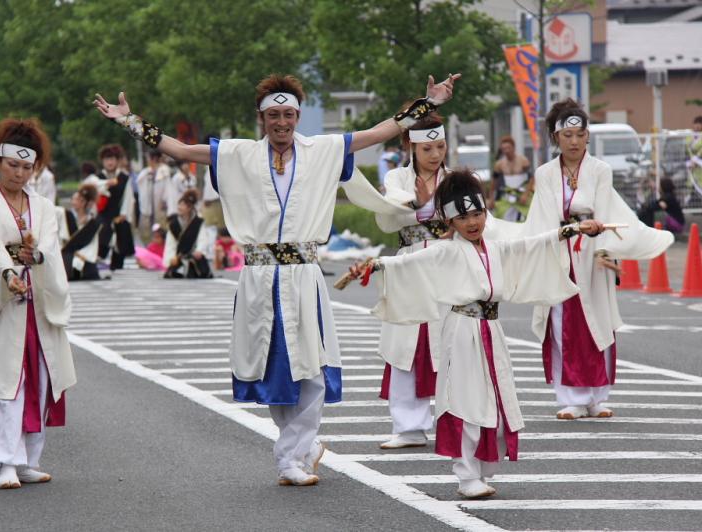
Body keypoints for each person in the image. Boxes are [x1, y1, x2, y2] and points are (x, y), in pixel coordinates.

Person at [95, 71, 459, 486]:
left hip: (304, 276)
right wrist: (129, 121)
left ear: (298, 115)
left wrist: (428, 105)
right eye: (274, 116)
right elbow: (179, 149)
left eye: (289, 114)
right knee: (273, 369)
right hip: (258, 278)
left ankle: (291, 455)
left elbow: (380, 132)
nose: (282, 123)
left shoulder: (323, 149)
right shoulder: (238, 155)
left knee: (313, 369)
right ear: (261, 118)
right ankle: (299, 448)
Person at [350, 169, 607, 498]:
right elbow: (409, 264)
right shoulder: (447, 251)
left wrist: (572, 229)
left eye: (477, 214)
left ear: (486, 213)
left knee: (494, 403)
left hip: (491, 330)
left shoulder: (495, 248)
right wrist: (374, 264)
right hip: (461, 331)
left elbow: (530, 245)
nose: (472, 223)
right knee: (464, 400)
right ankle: (466, 474)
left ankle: (480, 469)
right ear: (450, 221)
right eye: (463, 218)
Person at [523, 98, 674, 420]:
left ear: (588, 136)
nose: (574, 142)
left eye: (580, 135)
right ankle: (571, 396)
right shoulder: (546, 173)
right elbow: (543, 217)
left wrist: (608, 251)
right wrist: (557, 238)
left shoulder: (600, 170)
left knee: (597, 322)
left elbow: (607, 211)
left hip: (593, 255)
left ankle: (597, 396)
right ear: (556, 137)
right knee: (564, 323)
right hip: (560, 252)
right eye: (567, 136)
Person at [0, 118, 76, 489]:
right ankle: (4, 461)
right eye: (13, 165)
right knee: (5, 383)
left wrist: (37, 258)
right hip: (4, 303)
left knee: (40, 380)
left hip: (38, 303)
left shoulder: (44, 207)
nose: (19, 173)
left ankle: (29, 459)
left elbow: (48, 245)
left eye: (27, 167)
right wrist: (9, 275)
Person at [372, 114, 451, 450]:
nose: (435, 154)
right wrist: (418, 205)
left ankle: (455, 421)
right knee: (405, 343)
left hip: (447, 265)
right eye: (427, 148)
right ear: (410, 146)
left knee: (452, 342)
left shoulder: (455, 179)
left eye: (440, 146)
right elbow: (390, 214)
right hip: (409, 265)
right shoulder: (397, 177)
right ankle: (407, 425)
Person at [96, 144, 136, 271]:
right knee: (102, 237)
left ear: (118, 161)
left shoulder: (124, 178)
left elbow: (128, 198)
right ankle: (98, 261)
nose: (110, 162)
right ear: (102, 161)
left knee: (121, 237)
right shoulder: (98, 178)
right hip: (101, 214)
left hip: (118, 214)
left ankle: (117, 265)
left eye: (112, 159)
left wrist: (124, 214)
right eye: (107, 159)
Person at [162, 189, 212, 278]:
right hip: (179, 257)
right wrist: (171, 258)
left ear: (190, 207)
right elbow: (170, 244)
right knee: (174, 273)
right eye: (179, 204)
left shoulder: (198, 222)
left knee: (199, 270)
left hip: (194, 256)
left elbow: (203, 239)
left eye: (183, 205)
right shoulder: (174, 224)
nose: (179, 207)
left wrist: (199, 250)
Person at [57, 183, 101, 280]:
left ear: (86, 202)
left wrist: (80, 255)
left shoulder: (92, 223)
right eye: (74, 199)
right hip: (70, 254)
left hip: (83, 257)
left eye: (79, 200)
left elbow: (92, 246)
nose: (75, 202)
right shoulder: (67, 217)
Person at [488, 136, 532, 222]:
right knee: (501, 214)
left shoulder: (523, 160)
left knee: (528, 216)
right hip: (507, 194)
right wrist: (491, 198)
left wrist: (526, 194)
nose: (506, 150)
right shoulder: (499, 164)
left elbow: (532, 178)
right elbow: (494, 182)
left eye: (508, 148)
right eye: (504, 148)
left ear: (513, 147)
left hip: (523, 193)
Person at [136, 149, 170, 244]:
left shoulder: (164, 171)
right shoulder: (145, 172)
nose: (147, 160)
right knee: (146, 234)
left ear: (154, 158)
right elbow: (139, 185)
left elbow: (167, 189)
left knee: (161, 232)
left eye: (148, 158)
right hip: (147, 209)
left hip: (160, 208)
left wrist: (164, 201)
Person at [686, 115, 702, 198]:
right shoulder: (689, 136)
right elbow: (686, 149)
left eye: (699, 123)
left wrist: (696, 159)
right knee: (691, 185)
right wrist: (690, 161)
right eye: (695, 123)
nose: (697, 125)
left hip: (699, 164)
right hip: (691, 165)